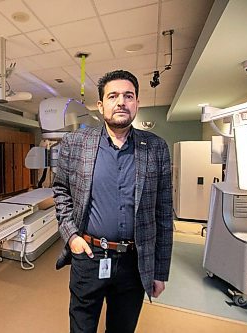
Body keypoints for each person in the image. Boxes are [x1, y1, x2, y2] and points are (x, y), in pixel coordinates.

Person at [53, 69, 173, 333]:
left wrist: (160, 271)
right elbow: (61, 191)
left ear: (137, 103)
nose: (121, 102)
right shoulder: (75, 143)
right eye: (113, 96)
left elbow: (164, 213)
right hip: (89, 255)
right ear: (101, 105)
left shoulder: (156, 148)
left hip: (134, 261)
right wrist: (72, 236)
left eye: (128, 96)